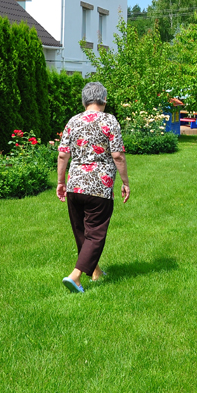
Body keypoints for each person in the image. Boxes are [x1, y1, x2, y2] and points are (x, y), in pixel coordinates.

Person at [56, 81, 130, 293]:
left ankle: (95, 271)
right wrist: (125, 183)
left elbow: (62, 154)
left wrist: (61, 182)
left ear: (84, 101)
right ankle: (76, 277)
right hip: (100, 186)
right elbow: (117, 155)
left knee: (81, 231)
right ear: (104, 100)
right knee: (96, 233)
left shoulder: (73, 121)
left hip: (75, 186)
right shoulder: (109, 120)